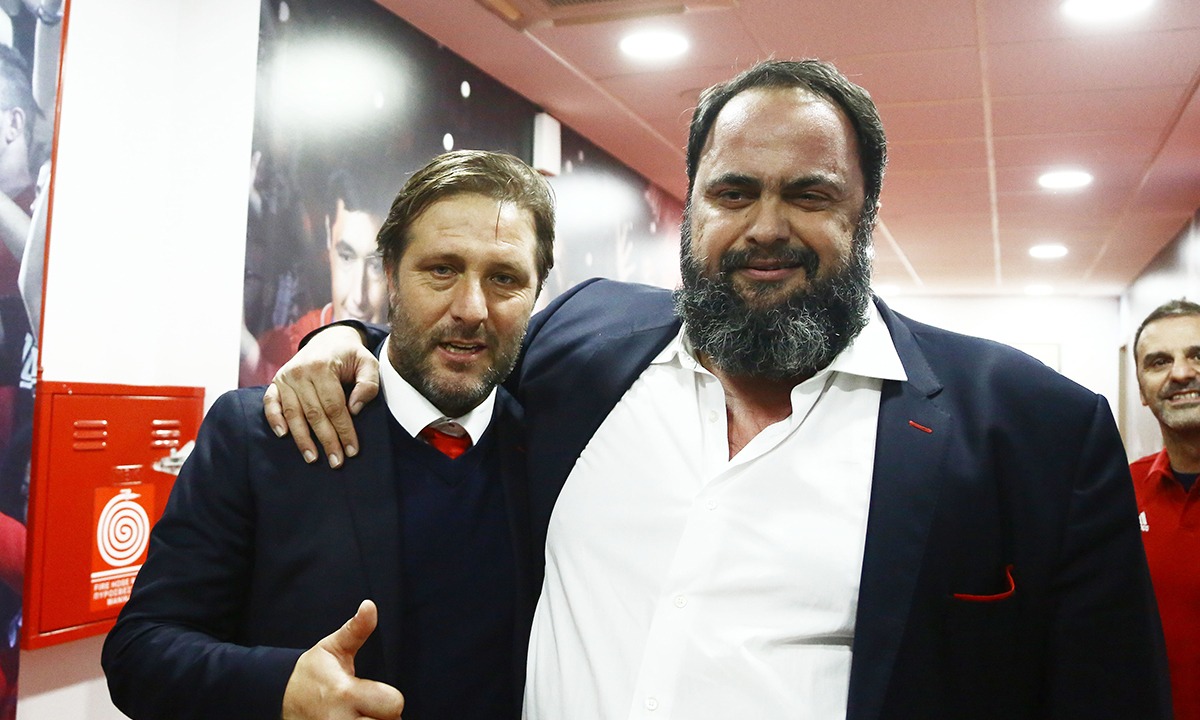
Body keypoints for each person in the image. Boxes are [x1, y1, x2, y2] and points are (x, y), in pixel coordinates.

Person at [267, 60, 1170, 718]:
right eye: (733, 193)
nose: (765, 227)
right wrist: (344, 340)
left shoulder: (1036, 432)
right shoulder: (584, 343)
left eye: (809, 195)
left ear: (865, 213)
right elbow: (462, 345)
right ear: (692, 202)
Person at [102, 149, 556, 720]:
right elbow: (139, 652)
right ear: (390, 275)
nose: (471, 308)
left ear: (536, 294)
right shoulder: (261, 435)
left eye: (504, 278)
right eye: (441, 269)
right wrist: (282, 691)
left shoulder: (555, 448)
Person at [241, 169, 390, 386]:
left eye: (376, 266)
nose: (358, 297)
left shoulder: (412, 362)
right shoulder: (283, 345)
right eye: (346, 257)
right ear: (329, 235)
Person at [1130, 298, 1200, 719]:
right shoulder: (1118, 491)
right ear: (1142, 390)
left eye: (1197, 355)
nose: (1181, 373)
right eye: (1159, 362)